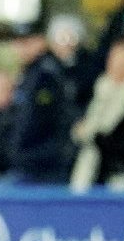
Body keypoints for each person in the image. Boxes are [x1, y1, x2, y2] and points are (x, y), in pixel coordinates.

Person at [70, 41, 124, 191]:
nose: (117, 66)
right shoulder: (101, 91)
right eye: (113, 60)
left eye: (123, 61)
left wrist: (93, 136)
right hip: (97, 174)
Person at [6, 21, 76, 184]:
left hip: (44, 166)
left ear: (40, 42)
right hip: (29, 161)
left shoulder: (46, 74)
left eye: (26, 42)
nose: (21, 48)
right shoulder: (31, 73)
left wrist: (23, 151)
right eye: (18, 43)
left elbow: (40, 120)